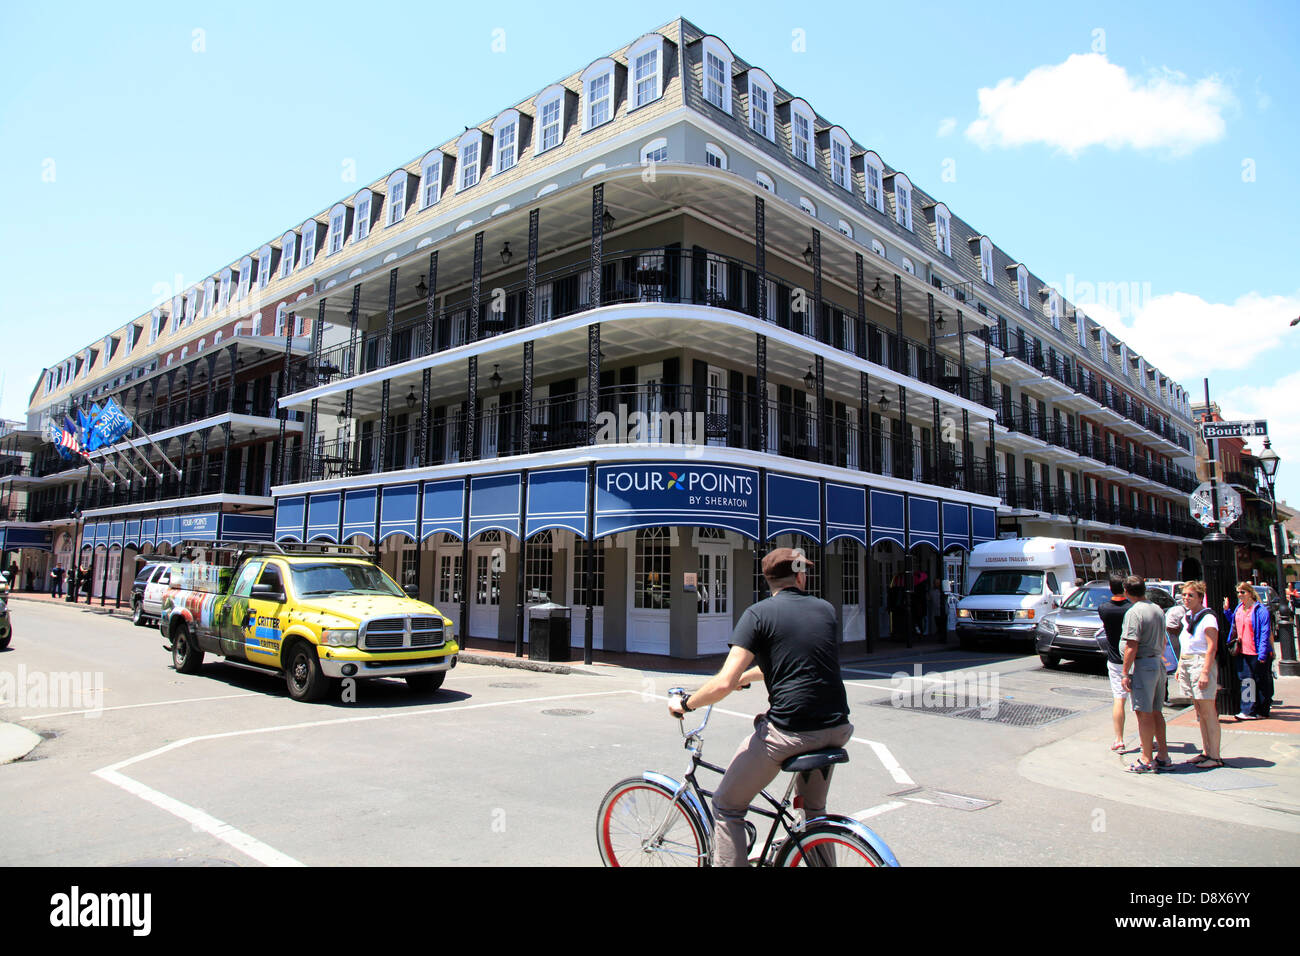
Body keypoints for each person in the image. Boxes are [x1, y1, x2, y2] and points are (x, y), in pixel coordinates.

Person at [668, 547, 852, 867]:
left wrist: (686, 703)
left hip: (791, 733)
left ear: (767, 579)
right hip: (837, 729)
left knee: (727, 805)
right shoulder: (825, 610)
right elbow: (795, 661)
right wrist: (746, 677)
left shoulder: (758, 614)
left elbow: (723, 683)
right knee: (813, 811)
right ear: (799, 576)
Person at [1120, 576, 1173, 773]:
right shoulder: (1156, 609)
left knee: (1143, 713)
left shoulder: (1134, 613)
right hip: (1158, 662)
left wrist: (1125, 672)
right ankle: (1163, 755)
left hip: (1143, 665)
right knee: (1157, 711)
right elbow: (1164, 639)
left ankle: (1146, 758)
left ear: (1126, 591)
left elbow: (1131, 645)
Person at [1174, 581, 1223, 769]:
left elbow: (1212, 647)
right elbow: (1185, 643)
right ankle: (1206, 751)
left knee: (1208, 711)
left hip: (1200, 663)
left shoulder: (1208, 618)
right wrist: (1179, 666)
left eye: (1191, 595)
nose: (1186, 598)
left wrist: (1205, 672)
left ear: (1200, 597)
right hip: (1187, 662)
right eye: (1184, 595)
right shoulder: (1187, 617)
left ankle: (1215, 756)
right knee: (1199, 711)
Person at [1096, 573, 1133, 753]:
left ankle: (1119, 739)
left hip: (1115, 659)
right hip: (1133, 659)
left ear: (1110, 589)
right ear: (1125, 589)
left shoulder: (1104, 608)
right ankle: (1147, 739)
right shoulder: (1132, 608)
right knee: (1139, 703)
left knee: (1119, 699)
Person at [1228, 583, 1274, 720]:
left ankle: (1263, 710)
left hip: (1257, 651)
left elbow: (1265, 633)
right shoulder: (1239, 608)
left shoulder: (1260, 610)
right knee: (1246, 680)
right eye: (1238, 592)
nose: (1239, 595)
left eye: (1242, 592)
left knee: (1260, 681)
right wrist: (1227, 612)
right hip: (1242, 651)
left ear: (1250, 593)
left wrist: (1262, 653)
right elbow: (1235, 623)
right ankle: (1248, 710)